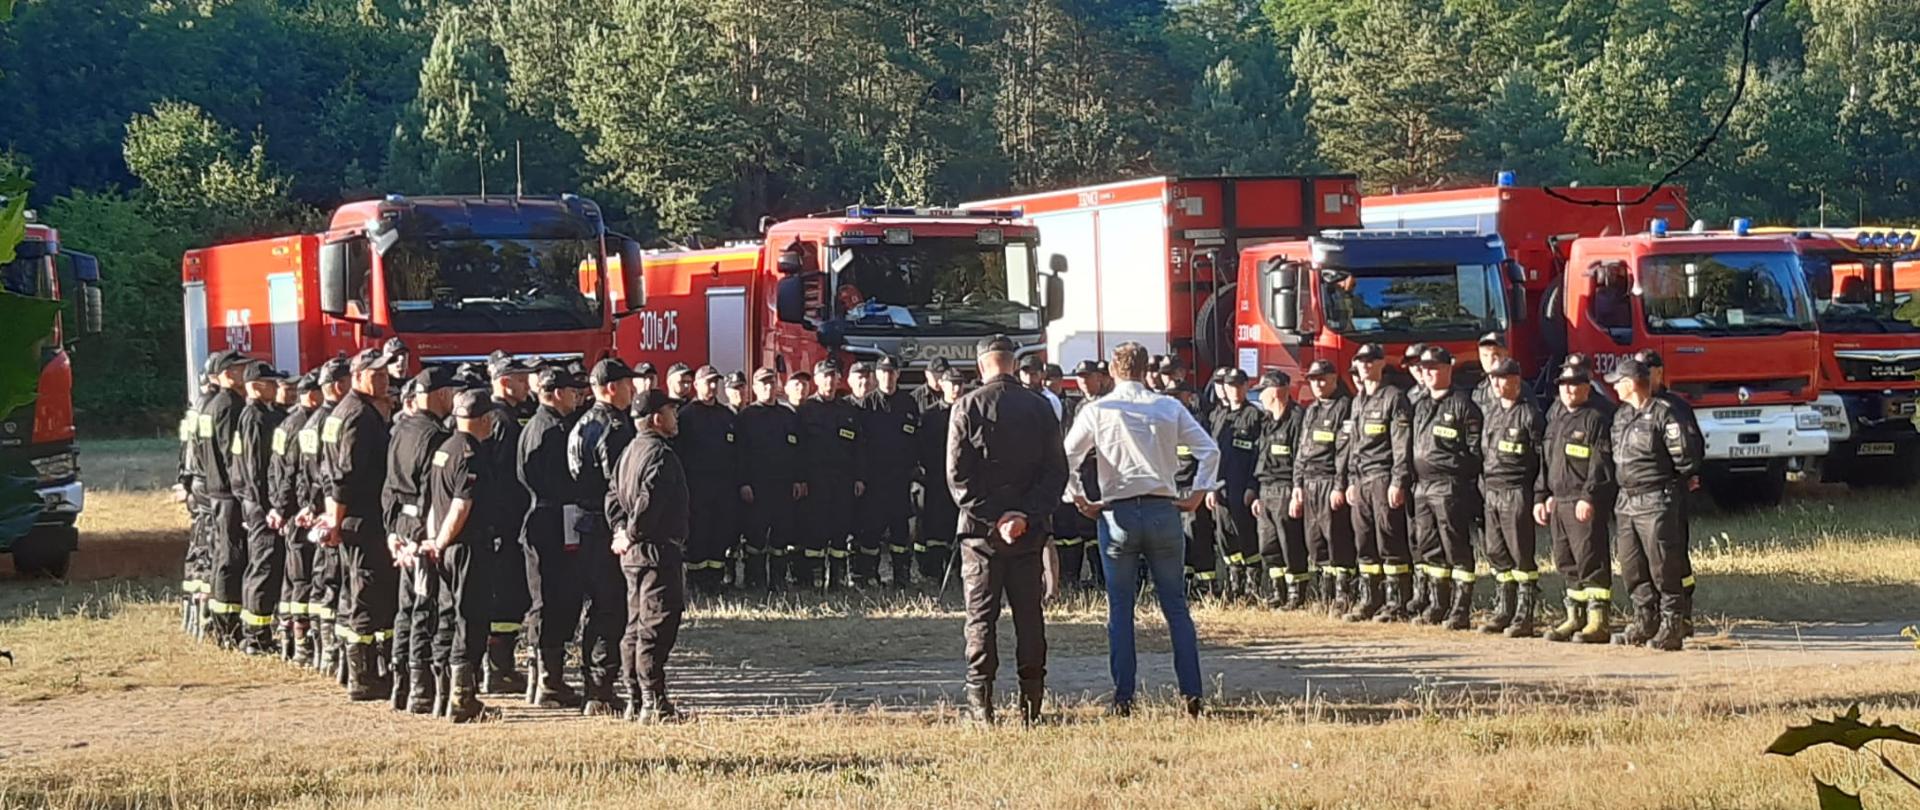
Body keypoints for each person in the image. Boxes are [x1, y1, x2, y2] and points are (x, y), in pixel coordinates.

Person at [1063, 341, 1212, 718]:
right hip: (1163, 510)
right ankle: (1192, 694)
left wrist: (1078, 497)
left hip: (1118, 513)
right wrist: (1197, 494)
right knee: (1176, 607)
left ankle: (1124, 696)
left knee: (1121, 609)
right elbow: (1209, 450)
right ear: (1147, 371)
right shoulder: (1168, 406)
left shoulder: (1099, 410)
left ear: (1112, 372)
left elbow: (1068, 456)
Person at [947, 334, 1069, 725]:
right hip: (1027, 533)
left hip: (981, 537)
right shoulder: (1041, 407)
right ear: (1013, 365)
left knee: (980, 618)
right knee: (1029, 618)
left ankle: (981, 707)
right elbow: (1056, 473)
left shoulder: (966, 406)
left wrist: (994, 517)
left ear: (982, 366)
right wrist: (1023, 517)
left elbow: (958, 478)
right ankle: (1031, 706)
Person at [1605, 357, 1700, 651]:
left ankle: (1672, 623)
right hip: (1626, 500)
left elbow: (1685, 457)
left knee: (1663, 564)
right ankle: (1645, 619)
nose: (1614, 388)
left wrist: (1675, 483)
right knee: (1632, 564)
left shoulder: (1665, 413)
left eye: (1618, 382)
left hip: (1656, 498)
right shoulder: (1621, 416)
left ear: (1631, 383)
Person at [608, 389, 692, 723]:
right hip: (656, 551)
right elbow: (649, 500)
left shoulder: (629, 452)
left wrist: (620, 531)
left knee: (634, 626)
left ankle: (634, 698)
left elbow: (612, 496)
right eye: (671, 411)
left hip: (634, 553)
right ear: (657, 418)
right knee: (655, 626)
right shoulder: (659, 455)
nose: (676, 417)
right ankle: (652, 701)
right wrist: (630, 532)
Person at [423, 389, 506, 723]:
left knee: (447, 616)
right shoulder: (471, 454)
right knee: (470, 618)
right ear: (485, 419)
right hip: (466, 547)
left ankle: (442, 695)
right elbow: (461, 505)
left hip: (445, 547)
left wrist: (434, 541)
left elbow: (434, 503)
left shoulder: (444, 449)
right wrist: (442, 542)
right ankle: (462, 700)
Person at [323, 346, 400, 700]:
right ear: (357, 377)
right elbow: (344, 476)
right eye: (376, 374)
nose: (383, 379)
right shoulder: (357, 416)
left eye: (386, 373)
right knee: (367, 594)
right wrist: (335, 522)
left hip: (359, 516)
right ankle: (362, 678)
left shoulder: (348, 411)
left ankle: (371, 670)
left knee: (368, 591)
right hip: (361, 518)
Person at [568, 358, 640, 714]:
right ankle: (599, 690)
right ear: (612, 387)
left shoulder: (583, 421)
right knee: (610, 609)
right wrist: (624, 527)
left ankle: (596, 686)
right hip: (604, 527)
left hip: (585, 522)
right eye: (628, 384)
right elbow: (620, 484)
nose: (633, 390)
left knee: (598, 608)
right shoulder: (613, 427)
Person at [385, 367, 456, 713]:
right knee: (425, 609)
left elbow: (388, 486)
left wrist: (392, 533)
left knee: (406, 607)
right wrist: (431, 538)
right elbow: (432, 492)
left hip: (402, 523)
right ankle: (421, 689)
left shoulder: (401, 429)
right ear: (442, 395)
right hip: (422, 528)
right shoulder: (436, 436)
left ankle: (401, 684)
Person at [1536, 361, 1617, 644]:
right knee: (1566, 560)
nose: (1569, 390)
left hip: (1582, 501)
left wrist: (1590, 496)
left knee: (1590, 558)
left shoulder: (1595, 418)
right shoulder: (1555, 420)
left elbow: (1600, 462)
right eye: (1563, 384)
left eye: (1574, 384)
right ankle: (1575, 617)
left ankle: (1598, 621)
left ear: (1586, 387)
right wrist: (1542, 496)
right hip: (1558, 501)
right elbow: (1545, 463)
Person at [519, 365, 584, 707]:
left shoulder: (545, 425)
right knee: (551, 598)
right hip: (548, 521)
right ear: (557, 393)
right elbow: (555, 481)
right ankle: (547, 681)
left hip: (550, 518)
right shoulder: (548, 431)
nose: (577, 396)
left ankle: (546, 678)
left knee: (555, 597)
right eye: (572, 390)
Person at [1409, 346, 1484, 630]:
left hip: (1450, 487)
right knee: (1429, 547)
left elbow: (1475, 451)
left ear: (1447, 369)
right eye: (1424, 368)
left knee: (1456, 547)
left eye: (1433, 367)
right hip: (1422, 487)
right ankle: (1437, 604)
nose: (1427, 373)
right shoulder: (1420, 405)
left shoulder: (1463, 405)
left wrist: (1456, 471)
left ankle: (1460, 608)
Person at [1340, 343, 1414, 622]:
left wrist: (1398, 480)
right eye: (1361, 361)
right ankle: (1370, 599)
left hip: (1384, 477)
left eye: (1371, 361)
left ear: (1382, 364)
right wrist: (1349, 480)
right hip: (1360, 480)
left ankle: (1397, 602)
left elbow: (1400, 444)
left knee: (1389, 538)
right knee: (1364, 539)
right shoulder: (1358, 400)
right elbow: (1352, 445)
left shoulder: (1394, 398)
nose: (1366, 365)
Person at [478, 353, 535, 696]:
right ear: (503, 382)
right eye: (520, 378)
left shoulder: (507, 417)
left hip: (507, 523)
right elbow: (499, 480)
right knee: (504, 598)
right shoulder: (501, 420)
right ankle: (499, 670)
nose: (526, 384)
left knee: (510, 598)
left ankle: (502, 667)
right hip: (503, 526)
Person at [1478, 357, 1544, 636]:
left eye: (1501, 377)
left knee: (1520, 554)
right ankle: (1504, 608)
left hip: (1517, 490)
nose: (1495, 382)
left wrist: (1540, 494)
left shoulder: (1529, 414)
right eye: (1492, 377)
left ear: (1516, 380)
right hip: (1491, 490)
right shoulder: (1492, 412)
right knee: (1496, 551)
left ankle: (1524, 613)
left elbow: (1544, 459)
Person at [1291, 360, 1356, 612]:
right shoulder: (1312, 410)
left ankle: (1343, 594)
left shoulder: (1344, 407)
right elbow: (1301, 451)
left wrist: (1339, 485)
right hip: (1309, 482)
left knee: (1336, 538)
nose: (1317, 384)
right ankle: (1325, 593)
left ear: (1333, 379)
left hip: (1330, 480)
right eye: (1313, 379)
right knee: (1315, 540)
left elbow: (1344, 452)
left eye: (1322, 379)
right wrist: (1297, 484)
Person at [234, 362, 289, 655]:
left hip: (257, 503)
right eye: (269, 382)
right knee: (262, 567)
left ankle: (257, 631)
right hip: (259, 504)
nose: (275, 387)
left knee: (263, 565)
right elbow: (256, 468)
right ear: (255, 386)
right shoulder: (254, 418)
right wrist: (268, 506)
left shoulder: (261, 414)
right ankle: (256, 636)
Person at [299, 358, 350, 672]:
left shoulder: (310, 421)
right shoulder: (333, 421)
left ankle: (321, 650)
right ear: (338, 385)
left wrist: (308, 503)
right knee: (332, 579)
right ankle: (330, 651)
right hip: (330, 507)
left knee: (322, 578)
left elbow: (305, 471)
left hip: (318, 505)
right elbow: (330, 472)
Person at [797, 360, 865, 589]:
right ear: (816, 380)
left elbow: (858, 447)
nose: (829, 381)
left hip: (843, 480)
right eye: (824, 376)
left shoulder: (848, 410)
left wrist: (858, 478)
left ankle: (836, 580)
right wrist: (801, 479)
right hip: (815, 481)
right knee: (814, 530)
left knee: (840, 530)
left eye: (832, 376)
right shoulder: (805, 410)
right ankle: (812, 580)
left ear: (838, 379)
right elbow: (797, 449)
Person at [675, 366, 741, 596]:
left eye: (716, 382)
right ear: (697, 385)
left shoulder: (727, 416)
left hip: (723, 489)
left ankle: (715, 581)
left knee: (719, 534)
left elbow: (738, 455)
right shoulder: (686, 416)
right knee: (698, 536)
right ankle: (696, 582)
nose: (713, 387)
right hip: (697, 488)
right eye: (708, 382)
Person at [269, 374, 322, 660]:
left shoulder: (285, 423)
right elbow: (293, 472)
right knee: (302, 577)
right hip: (299, 513)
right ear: (312, 395)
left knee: (291, 577)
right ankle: (301, 642)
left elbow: (273, 469)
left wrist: (277, 506)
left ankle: (288, 634)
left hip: (288, 511)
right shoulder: (305, 426)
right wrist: (288, 508)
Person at [735, 367, 802, 592]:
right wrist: (743, 482)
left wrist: (798, 479)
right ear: (754, 388)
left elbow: (798, 451)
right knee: (755, 536)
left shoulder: (788, 415)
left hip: (783, 485)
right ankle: (755, 580)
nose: (768, 387)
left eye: (771, 383)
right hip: (757, 487)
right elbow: (740, 454)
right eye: (762, 383)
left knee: (781, 536)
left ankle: (778, 580)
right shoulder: (747, 417)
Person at [857, 356, 921, 587]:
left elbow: (916, 440)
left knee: (900, 531)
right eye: (883, 372)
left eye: (892, 372)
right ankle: (869, 575)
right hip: (874, 480)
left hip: (900, 479)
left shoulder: (908, 403)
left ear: (898, 375)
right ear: (877, 375)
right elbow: (859, 446)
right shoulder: (867, 404)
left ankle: (901, 577)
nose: (888, 376)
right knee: (871, 530)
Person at [1206, 367, 1266, 602]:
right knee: (1225, 537)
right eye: (1229, 386)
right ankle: (1235, 583)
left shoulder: (1255, 416)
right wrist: (1210, 487)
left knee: (1247, 536)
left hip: (1243, 487)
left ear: (1246, 387)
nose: (1234, 390)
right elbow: (1210, 454)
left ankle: (1253, 587)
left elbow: (1259, 455)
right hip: (1221, 487)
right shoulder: (1218, 416)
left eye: (1238, 385)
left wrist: (1253, 487)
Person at [1250, 371, 1309, 609]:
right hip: (1266, 490)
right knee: (1268, 545)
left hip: (1285, 488)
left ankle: (1296, 593)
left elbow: (1300, 459)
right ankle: (1278, 590)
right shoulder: (1265, 423)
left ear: (1275, 391)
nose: (1260, 396)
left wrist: (1298, 490)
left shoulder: (1297, 418)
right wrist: (1255, 493)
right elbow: (1258, 459)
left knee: (1290, 542)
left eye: (1262, 391)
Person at [917, 368, 966, 580]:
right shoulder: (930, 415)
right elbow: (920, 447)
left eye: (959, 384)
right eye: (951, 384)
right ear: (942, 386)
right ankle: (934, 571)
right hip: (936, 479)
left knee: (960, 525)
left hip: (963, 479)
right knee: (936, 527)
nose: (955, 388)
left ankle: (959, 570)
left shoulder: (969, 412)